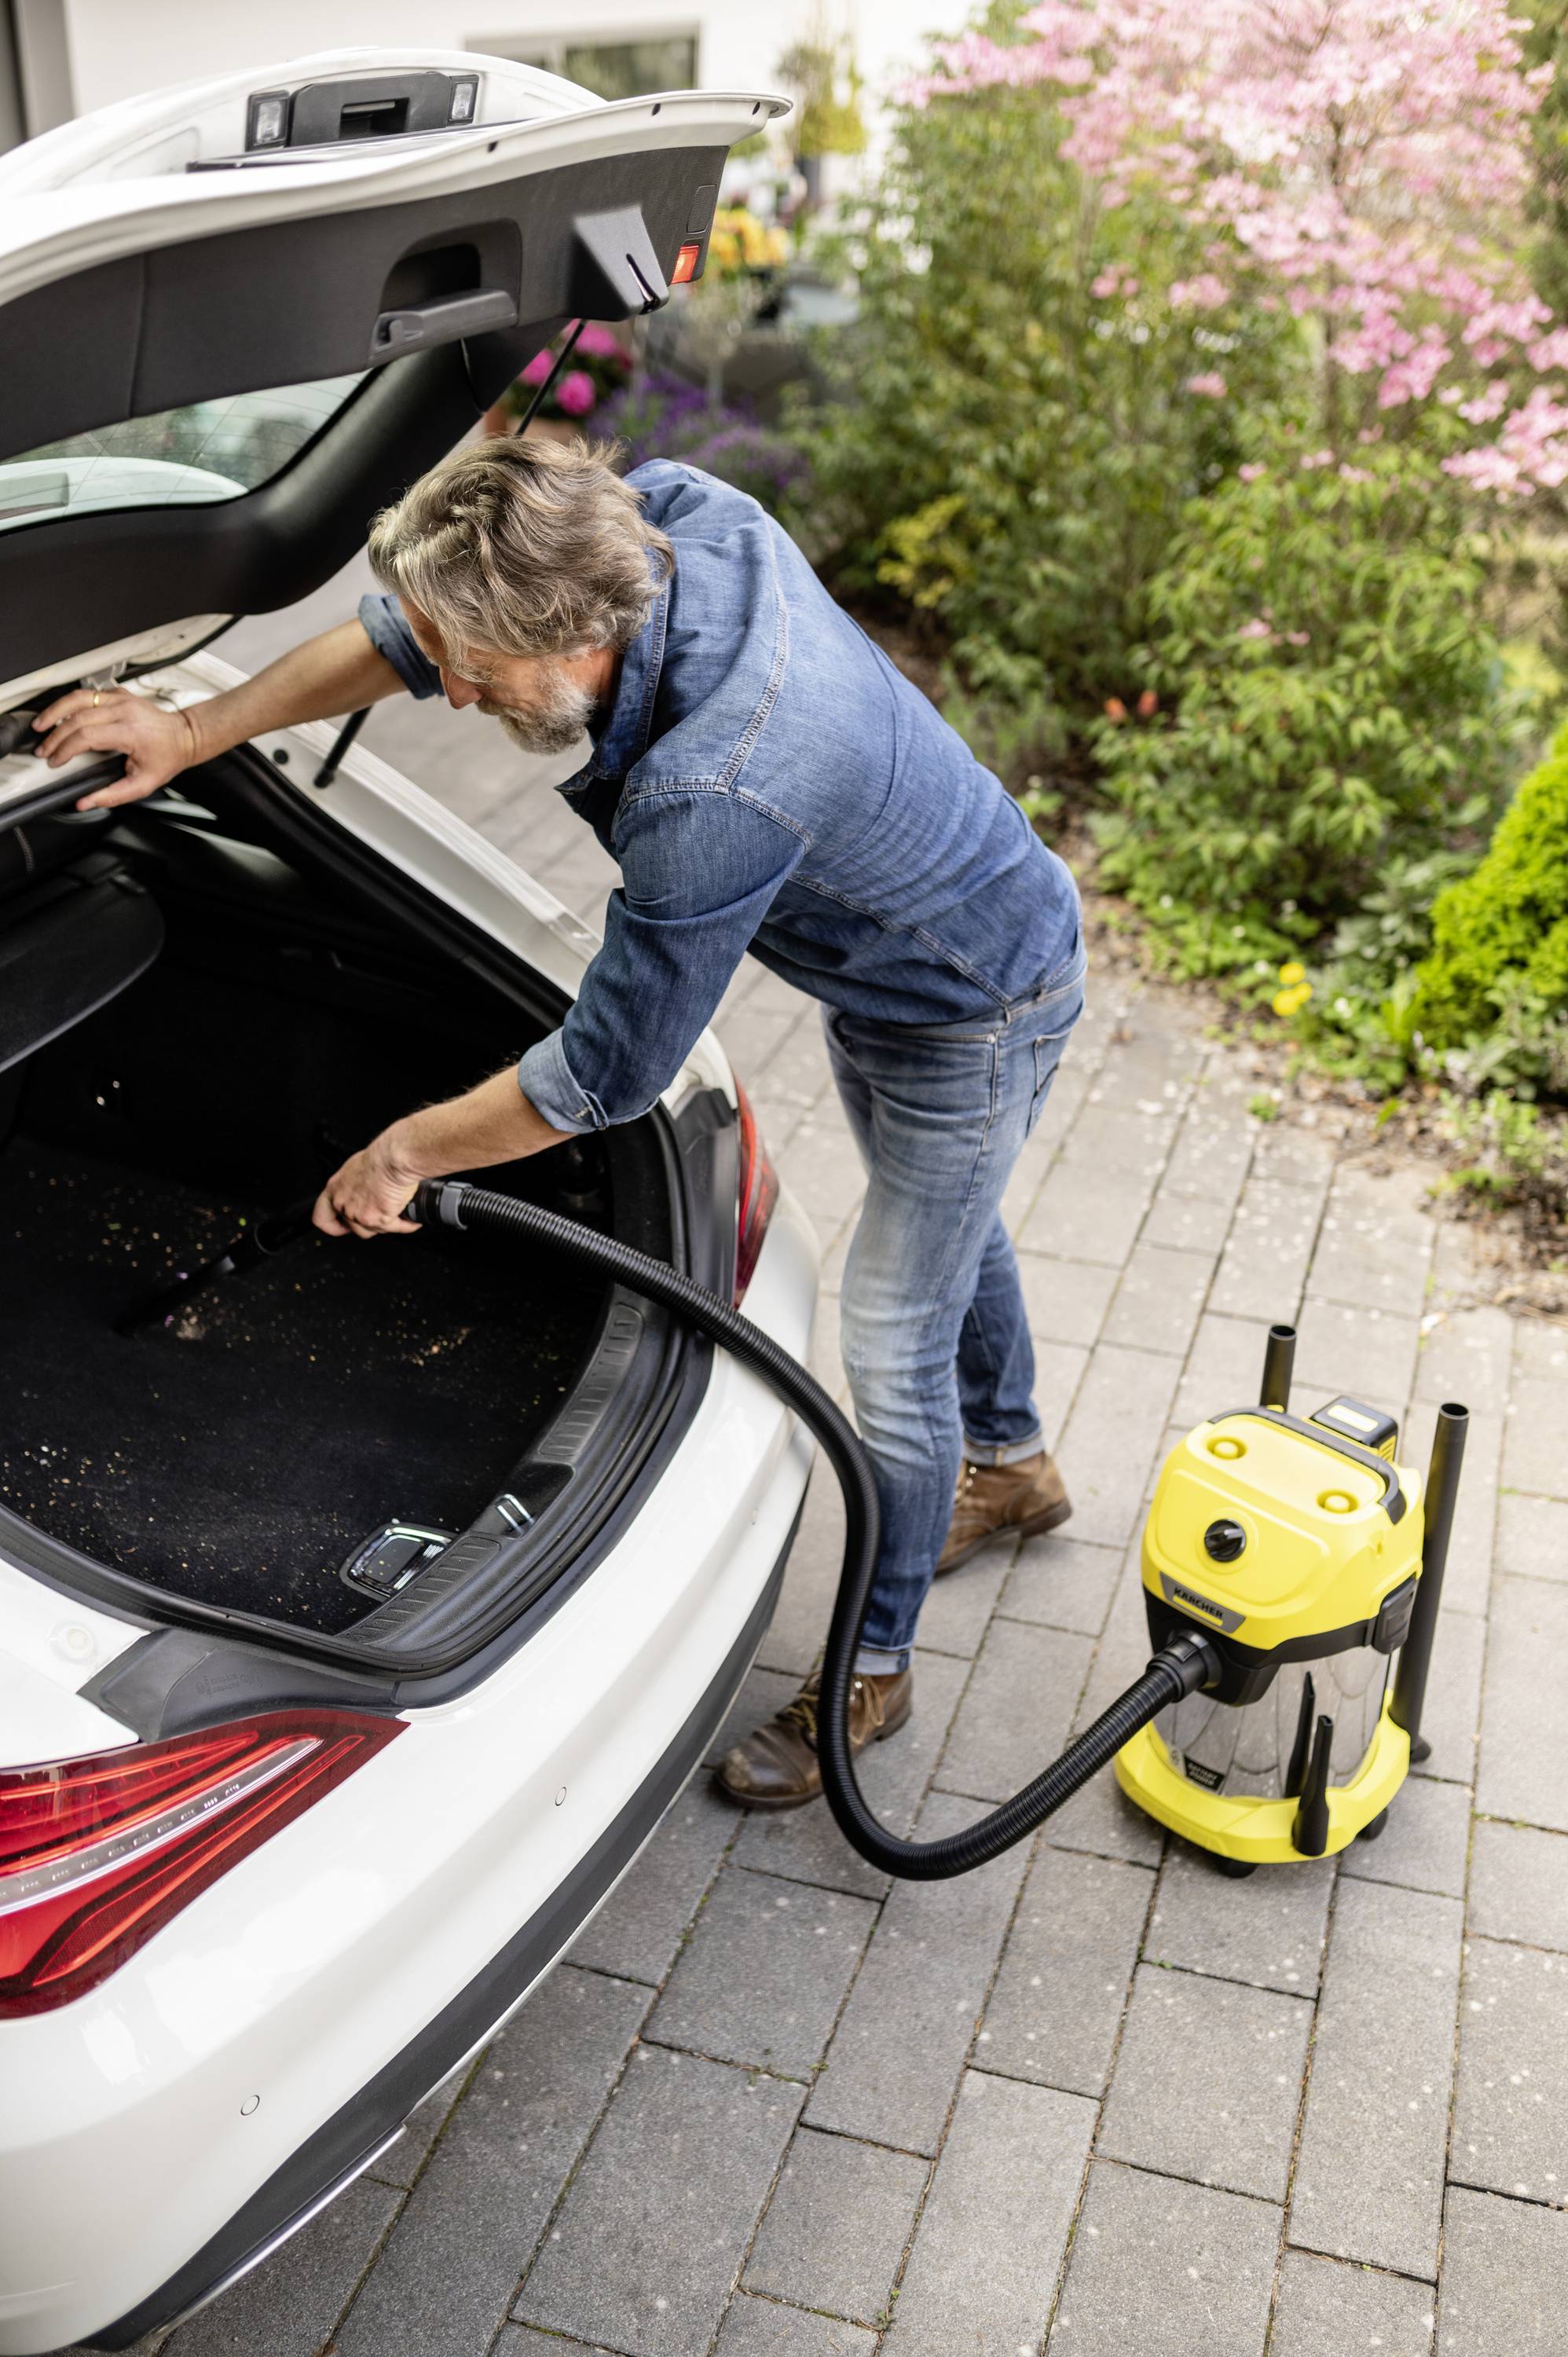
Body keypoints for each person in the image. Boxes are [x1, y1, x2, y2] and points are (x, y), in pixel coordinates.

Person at [33, 436, 1086, 1810]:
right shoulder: (656, 524)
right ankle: (1012, 1463)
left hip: (975, 1001)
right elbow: (406, 637)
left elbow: (601, 1079)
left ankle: (872, 1668)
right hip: (895, 959)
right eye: (448, 658)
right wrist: (189, 730)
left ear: (571, 625)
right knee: (938, 1213)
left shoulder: (720, 784)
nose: (452, 689)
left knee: (889, 1338)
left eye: (474, 667)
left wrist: (403, 1151)